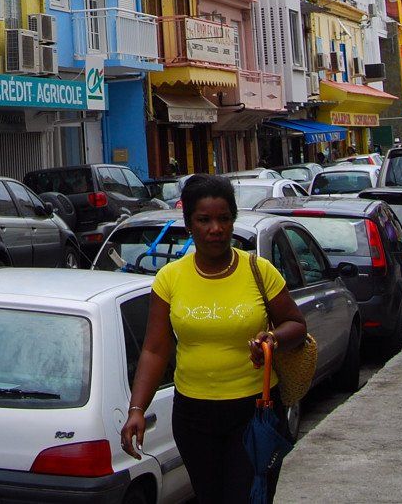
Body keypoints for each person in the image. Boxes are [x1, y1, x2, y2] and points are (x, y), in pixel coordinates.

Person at [122, 174, 309, 504]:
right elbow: (154, 349)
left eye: (224, 219)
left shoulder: (259, 270)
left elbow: (296, 324)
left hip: (254, 411)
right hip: (193, 416)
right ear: (189, 223)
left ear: (233, 220)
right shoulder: (170, 278)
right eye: (204, 220)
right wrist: (137, 409)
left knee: (247, 498)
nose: (215, 229)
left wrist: (273, 339)